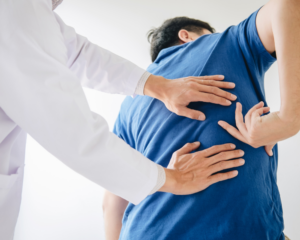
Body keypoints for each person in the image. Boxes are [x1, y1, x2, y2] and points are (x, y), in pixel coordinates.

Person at [0, 0, 243, 239]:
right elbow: (69, 129)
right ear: (186, 36)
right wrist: (175, 179)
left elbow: (79, 55)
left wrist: (157, 86)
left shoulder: (131, 106)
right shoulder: (17, 9)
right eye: (211, 36)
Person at [103, 1, 300, 239]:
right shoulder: (225, 43)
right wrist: (289, 119)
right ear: (186, 36)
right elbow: (287, 6)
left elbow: (112, 204)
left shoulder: (129, 105)